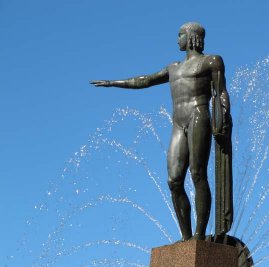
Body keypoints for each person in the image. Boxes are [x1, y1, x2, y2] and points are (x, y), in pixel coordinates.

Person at [91, 22, 232, 241]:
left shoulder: (211, 61)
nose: (177, 40)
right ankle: (186, 239)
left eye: (179, 35)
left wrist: (223, 118)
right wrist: (112, 83)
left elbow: (221, 92)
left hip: (198, 115)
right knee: (174, 181)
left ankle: (199, 235)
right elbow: (144, 80)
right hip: (178, 122)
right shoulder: (173, 68)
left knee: (197, 173)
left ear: (191, 37)